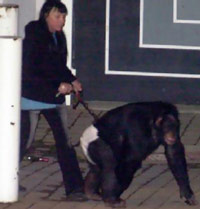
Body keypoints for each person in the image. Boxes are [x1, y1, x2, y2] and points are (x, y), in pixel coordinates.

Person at [20, 0, 87, 201]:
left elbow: (58, 65)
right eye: (58, 16)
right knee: (23, 141)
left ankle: (75, 188)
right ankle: (7, 179)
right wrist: (56, 86)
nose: (62, 21)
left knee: (64, 144)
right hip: (32, 96)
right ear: (46, 15)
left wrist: (71, 80)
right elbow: (31, 68)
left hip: (53, 99)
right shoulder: (34, 34)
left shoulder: (59, 37)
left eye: (64, 17)